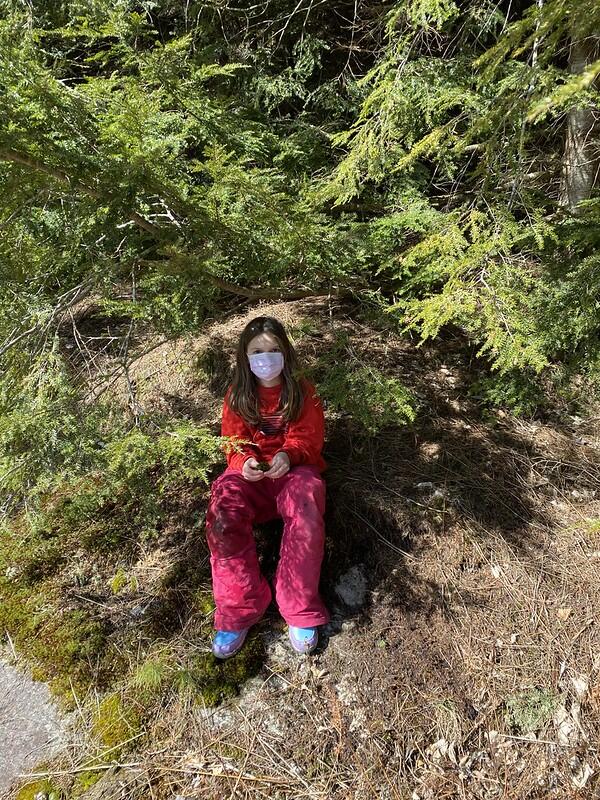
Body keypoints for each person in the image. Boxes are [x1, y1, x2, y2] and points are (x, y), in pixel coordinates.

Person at [205, 316, 330, 659]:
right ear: (245, 356)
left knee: (306, 508)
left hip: (293, 474)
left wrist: (289, 456)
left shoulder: (302, 389)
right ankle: (238, 609)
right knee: (223, 512)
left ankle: (299, 606)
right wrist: (243, 461)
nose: (266, 357)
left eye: (274, 349)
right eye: (257, 350)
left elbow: (309, 436)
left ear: (286, 352)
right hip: (251, 479)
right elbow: (232, 440)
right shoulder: (238, 394)